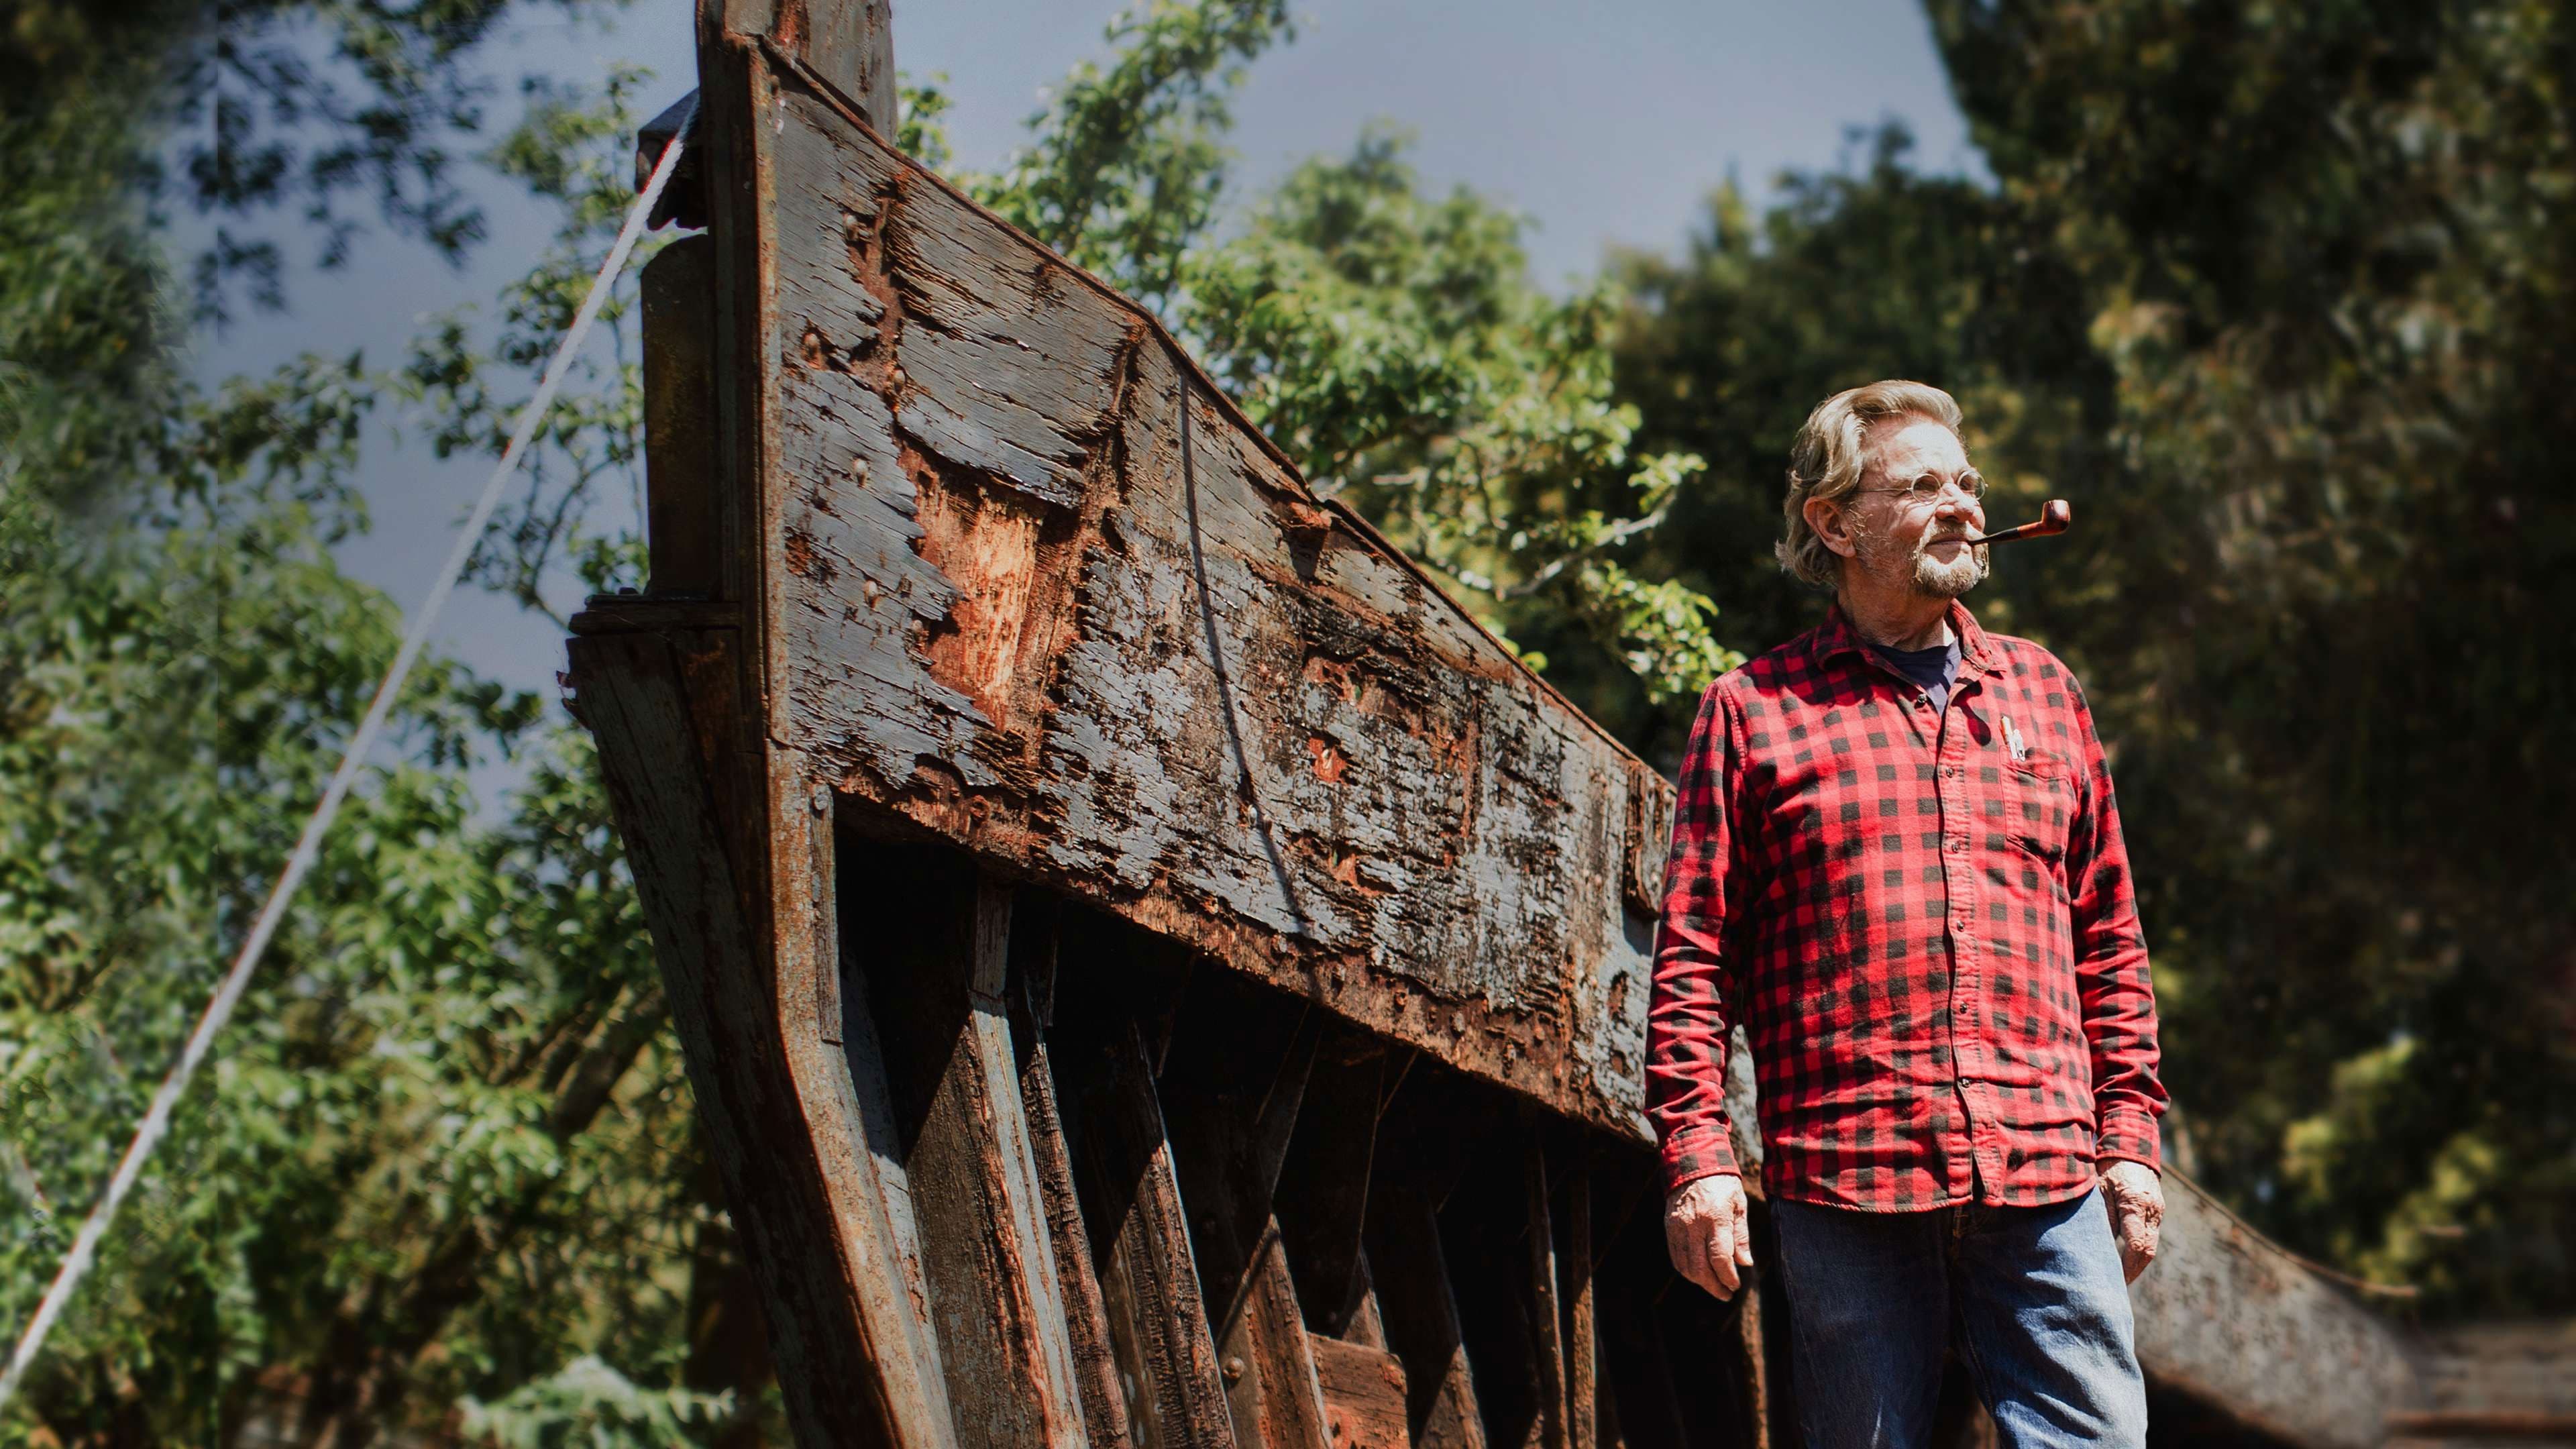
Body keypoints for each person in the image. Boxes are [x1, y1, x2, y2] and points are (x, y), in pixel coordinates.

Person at [1647, 380, 2168, 1447]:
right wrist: (1699, 1155)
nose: (1963, 506)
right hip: (1849, 1175)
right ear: (1834, 523)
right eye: (1922, 485)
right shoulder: (1750, 711)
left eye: (1968, 483)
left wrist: (2130, 1137)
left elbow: (2109, 938)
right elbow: (1693, 956)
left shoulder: (2046, 694)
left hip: (2047, 1167)